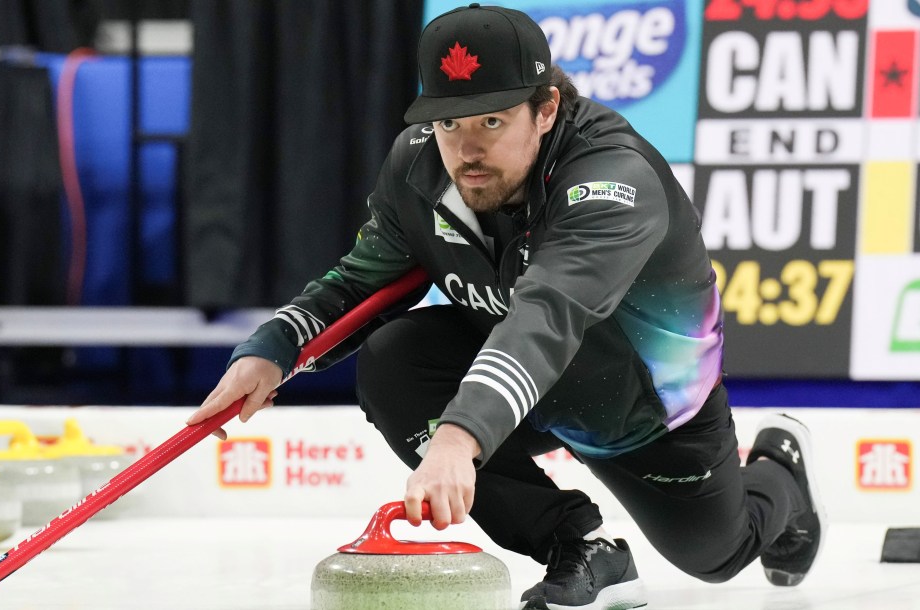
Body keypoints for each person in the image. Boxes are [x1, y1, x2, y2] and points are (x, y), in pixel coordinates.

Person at [187, 4, 826, 609]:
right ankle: (578, 544)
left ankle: (780, 466)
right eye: (448, 123)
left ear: (546, 109)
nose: (466, 150)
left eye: (490, 121)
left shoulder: (613, 180)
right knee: (393, 359)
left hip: (642, 408)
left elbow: (546, 317)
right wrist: (273, 348)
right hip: (515, 385)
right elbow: (361, 284)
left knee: (717, 555)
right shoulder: (418, 168)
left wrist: (459, 435)